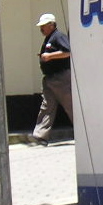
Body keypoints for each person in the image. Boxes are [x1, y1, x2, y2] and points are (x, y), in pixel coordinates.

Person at [29, 13, 73, 146]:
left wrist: (49, 56)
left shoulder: (58, 36)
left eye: (43, 26)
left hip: (61, 78)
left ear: (51, 25)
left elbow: (67, 51)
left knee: (70, 105)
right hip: (50, 79)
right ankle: (40, 135)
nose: (41, 29)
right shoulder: (49, 38)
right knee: (47, 106)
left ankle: (86, 131)